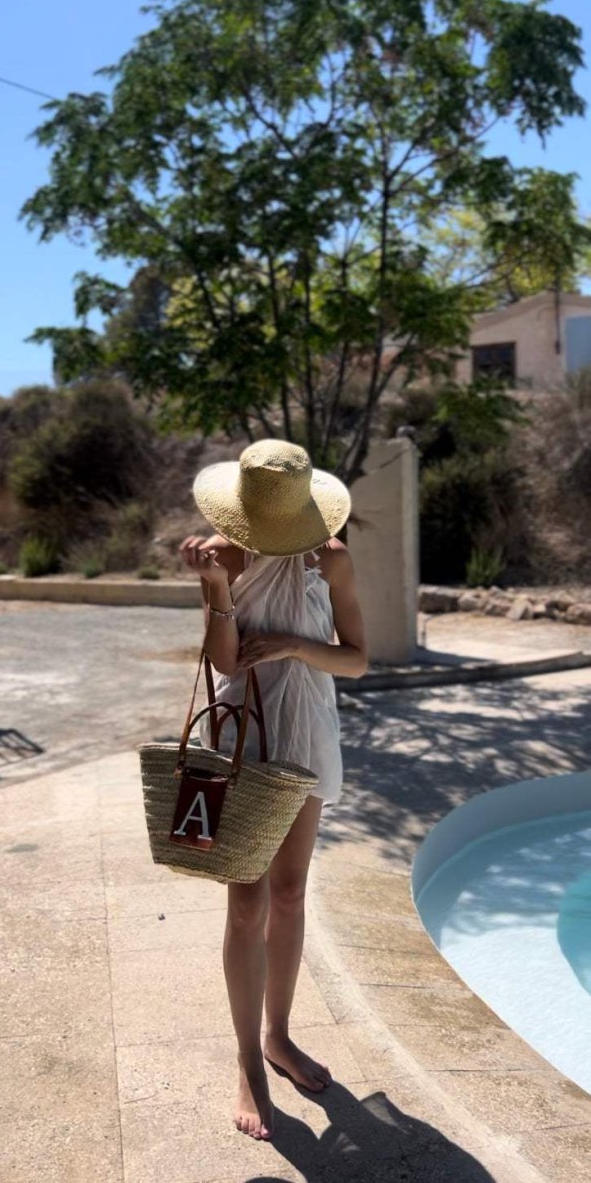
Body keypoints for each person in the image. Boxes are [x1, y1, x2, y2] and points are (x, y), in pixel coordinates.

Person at [179, 438, 368, 1141]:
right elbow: (224, 661)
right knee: (245, 904)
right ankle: (246, 1062)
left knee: (289, 895)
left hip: (307, 731)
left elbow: (357, 659)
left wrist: (293, 646)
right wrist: (216, 589)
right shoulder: (222, 555)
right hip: (242, 736)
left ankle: (277, 1036)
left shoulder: (332, 558)